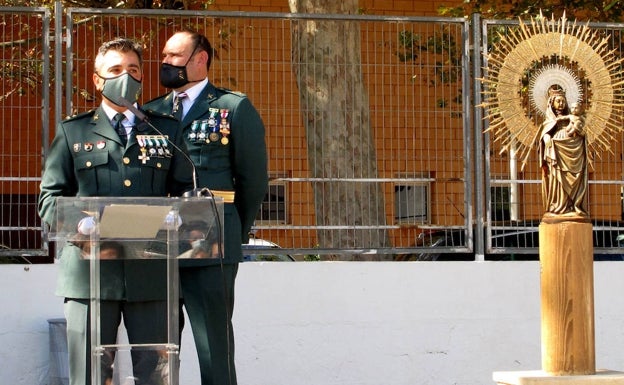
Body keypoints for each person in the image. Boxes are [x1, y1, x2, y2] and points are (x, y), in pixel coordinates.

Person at [38, 38, 194, 385]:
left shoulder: (164, 130)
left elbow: (187, 188)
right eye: (116, 70)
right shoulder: (73, 131)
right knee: (89, 376)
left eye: (134, 70)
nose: (126, 77)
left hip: (151, 276)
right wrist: (81, 222)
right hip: (90, 275)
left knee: (157, 376)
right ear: (97, 80)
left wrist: (179, 212)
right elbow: (49, 199)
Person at [145, 29, 268, 385]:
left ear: (200, 59)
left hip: (212, 242)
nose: (165, 63)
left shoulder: (232, 107)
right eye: (164, 56)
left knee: (213, 344)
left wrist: (232, 232)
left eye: (174, 56)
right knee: (159, 347)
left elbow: (253, 181)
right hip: (159, 244)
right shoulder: (152, 112)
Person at [538, 86, 588, 217]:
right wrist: (546, 137)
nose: (561, 104)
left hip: (575, 148)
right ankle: (559, 204)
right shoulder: (549, 120)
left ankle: (574, 205)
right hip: (557, 149)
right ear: (552, 103)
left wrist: (580, 134)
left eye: (563, 101)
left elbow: (583, 131)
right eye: (558, 101)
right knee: (558, 177)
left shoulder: (574, 117)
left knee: (577, 178)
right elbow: (544, 133)